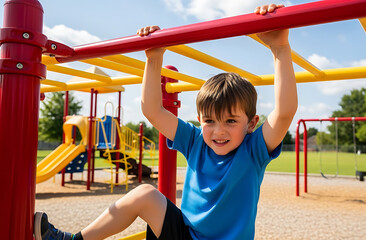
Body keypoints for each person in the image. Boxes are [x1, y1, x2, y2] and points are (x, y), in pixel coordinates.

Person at [34, 3, 297, 240]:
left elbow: (284, 112)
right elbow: (153, 110)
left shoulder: (253, 150)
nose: (218, 131)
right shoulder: (195, 141)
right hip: (184, 235)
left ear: (251, 123)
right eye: (210, 121)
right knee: (143, 195)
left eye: (230, 121)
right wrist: (154, 58)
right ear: (199, 120)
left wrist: (280, 48)